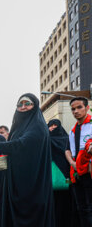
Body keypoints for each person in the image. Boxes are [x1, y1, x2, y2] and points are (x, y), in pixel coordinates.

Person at [0, 93, 55, 226]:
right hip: (16, 183)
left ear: (35, 106)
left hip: (32, 185)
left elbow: (23, 144)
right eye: (20, 104)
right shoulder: (18, 127)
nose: (23, 107)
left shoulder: (38, 126)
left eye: (27, 103)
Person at [65, 97, 92, 226]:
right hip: (77, 173)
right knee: (81, 209)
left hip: (90, 171)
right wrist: (72, 163)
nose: (76, 111)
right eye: (73, 109)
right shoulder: (72, 130)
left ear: (87, 108)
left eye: (79, 107)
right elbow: (67, 150)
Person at [48, 119, 74, 227]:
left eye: (55, 125)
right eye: (51, 125)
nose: (53, 127)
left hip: (66, 175)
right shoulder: (45, 139)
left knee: (67, 202)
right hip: (51, 177)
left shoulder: (67, 139)